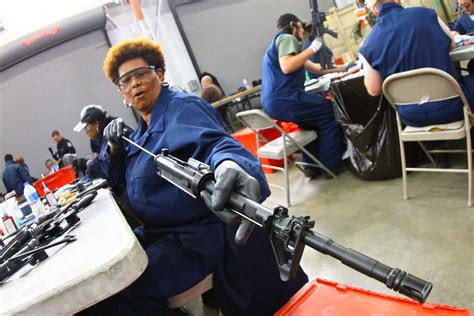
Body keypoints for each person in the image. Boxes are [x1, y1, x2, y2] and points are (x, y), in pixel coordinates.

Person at [97, 37, 307, 315]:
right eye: (125, 80)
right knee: (107, 272)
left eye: (140, 74)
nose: (134, 84)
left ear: (159, 73)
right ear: (121, 92)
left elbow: (214, 143)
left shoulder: (182, 109)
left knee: (121, 295)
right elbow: (117, 178)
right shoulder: (141, 129)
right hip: (159, 232)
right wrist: (112, 149)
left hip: (194, 237)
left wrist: (229, 164)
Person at [359, 0, 474, 127]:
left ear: (375, 11)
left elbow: (373, 89)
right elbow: (452, 44)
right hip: (454, 106)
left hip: (411, 117)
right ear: (398, 1)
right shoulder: (426, 14)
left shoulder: (368, 43)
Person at [261, 13, 345, 179]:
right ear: (293, 24)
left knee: (310, 122)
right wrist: (313, 48)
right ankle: (330, 166)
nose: (302, 31)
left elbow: (315, 68)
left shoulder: (280, 46)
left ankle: (312, 167)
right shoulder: (286, 38)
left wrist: (345, 68)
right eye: (300, 26)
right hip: (285, 99)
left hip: (274, 102)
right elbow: (287, 67)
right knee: (330, 112)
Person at [73, 104, 116, 180]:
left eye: (86, 127)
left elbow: (109, 168)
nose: (85, 132)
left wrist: (90, 164)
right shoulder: (101, 136)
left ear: (96, 124)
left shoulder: (113, 133)